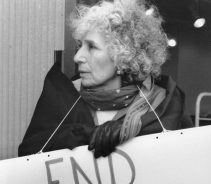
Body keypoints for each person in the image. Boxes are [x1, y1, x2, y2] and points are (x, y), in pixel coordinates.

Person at [18, 0, 193, 158]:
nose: (78, 57)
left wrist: (127, 134)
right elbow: (29, 158)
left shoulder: (164, 104)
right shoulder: (62, 97)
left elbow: (186, 166)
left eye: (92, 47)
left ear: (123, 56)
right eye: (79, 46)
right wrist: (81, 135)